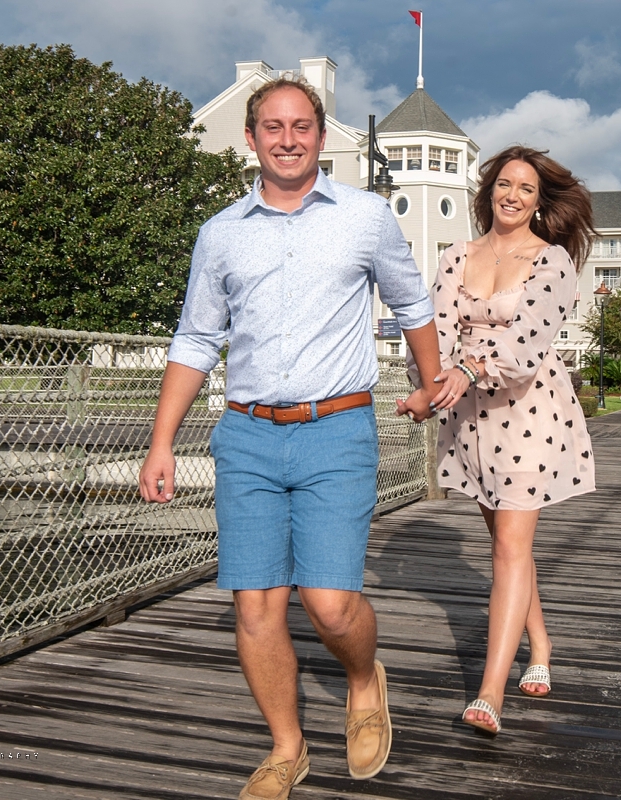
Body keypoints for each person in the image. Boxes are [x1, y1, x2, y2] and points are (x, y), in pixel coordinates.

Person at [139, 77, 444, 800]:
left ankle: (365, 679)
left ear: (318, 135)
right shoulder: (220, 233)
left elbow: (411, 301)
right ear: (251, 138)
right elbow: (196, 337)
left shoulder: (365, 216)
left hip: (336, 428)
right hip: (245, 435)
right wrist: (161, 442)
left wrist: (430, 384)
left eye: (301, 125)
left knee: (330, 603)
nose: (287, 138)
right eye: (272, 126)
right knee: (255, 606)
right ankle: (287, 746)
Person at [413, 145, 597, 735]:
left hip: (529, 409)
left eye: (526, 188)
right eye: (504, 184)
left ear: (540, 202)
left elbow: (524, 346)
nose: (513, 195)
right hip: (472, 417)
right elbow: (438, 334)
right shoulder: (454, 256)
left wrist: (466, 370)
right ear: (489, 190)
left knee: (511, 544)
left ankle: (490, 693)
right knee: (505, 542)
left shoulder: (552, 263)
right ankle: (541, 645)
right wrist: (428, 389)